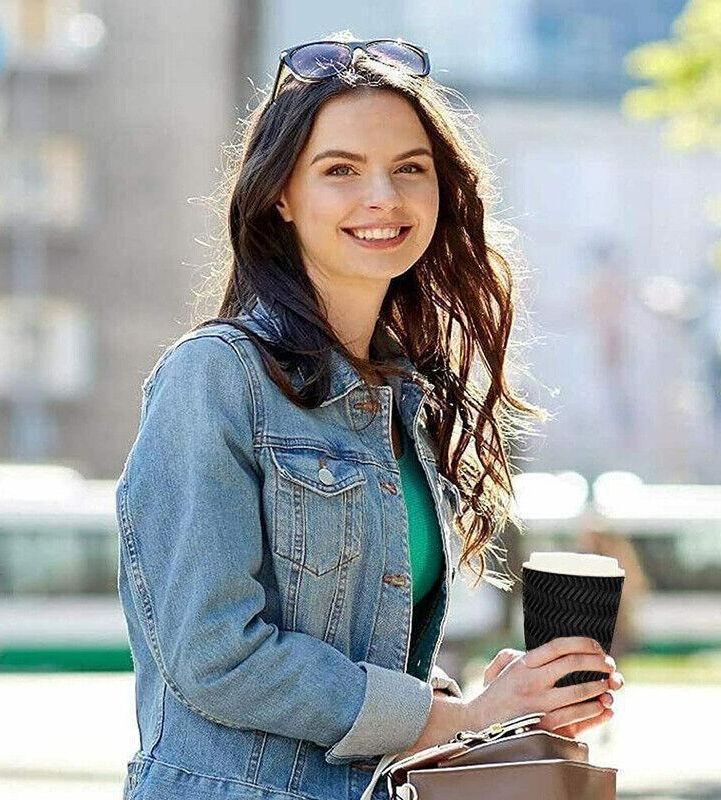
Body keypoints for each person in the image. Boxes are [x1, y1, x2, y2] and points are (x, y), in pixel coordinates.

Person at [115, 32, 625, 800]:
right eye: (340, 170)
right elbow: (216, 656)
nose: (383, 196)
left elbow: (361, 655)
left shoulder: (404, 399)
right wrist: (453, 716)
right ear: (281, 196)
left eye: (409, 169)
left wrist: (490, 705)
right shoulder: (216, 376)